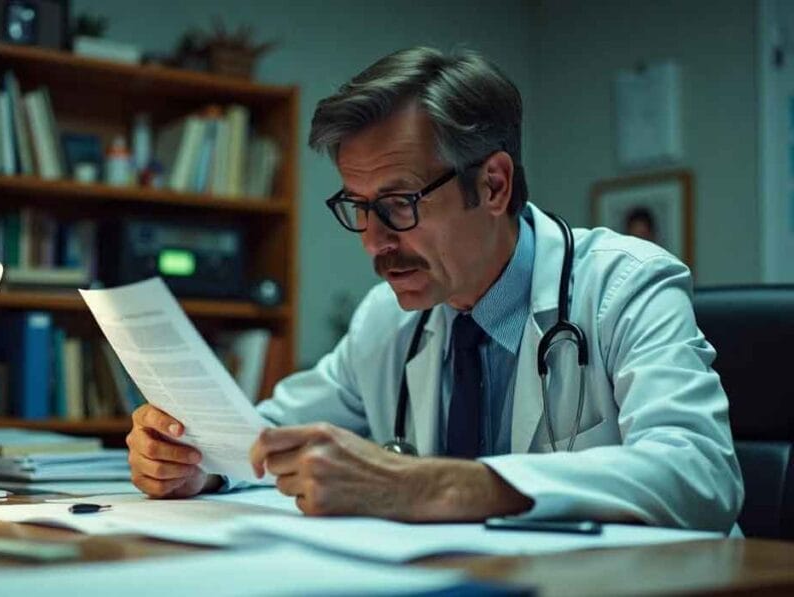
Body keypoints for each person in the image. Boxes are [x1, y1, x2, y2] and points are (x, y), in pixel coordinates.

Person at [125, 47, 743, 532]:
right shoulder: (389, 321)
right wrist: (193, 462)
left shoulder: (626, 285)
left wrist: (431, 486)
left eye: (398, 204)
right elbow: (260, 441)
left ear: (494, 186)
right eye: (358, 207)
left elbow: (702, 474)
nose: (372, 241)